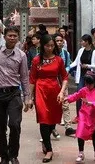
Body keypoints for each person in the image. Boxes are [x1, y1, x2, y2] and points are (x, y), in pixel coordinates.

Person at [0, 26, 31, 164]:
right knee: (0, 128)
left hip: (14, 93)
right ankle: (4, 156)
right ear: (4, 36)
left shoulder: (21, 55)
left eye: (15, 36)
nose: (12, 38)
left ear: (18, 38)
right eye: (10, 35)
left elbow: (24, 78)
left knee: (15, 125)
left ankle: (13, 155)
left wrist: (27, 97)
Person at [29, 34, 68, 163]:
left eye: (52, 46)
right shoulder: (36, 60)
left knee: (53, 120)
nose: (50, 48)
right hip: (40, 91)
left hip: (54, 91)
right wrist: (29, 97)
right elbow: (32, 79)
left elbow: (65, 77)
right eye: (47, 45)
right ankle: (49, 149)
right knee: (43, 118)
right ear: (42, 46)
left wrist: (62, 92)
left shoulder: (58, 60)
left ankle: (45, 141)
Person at [64, 71, 95, 163]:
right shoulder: (84, 90)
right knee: (80, 133)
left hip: (94, 117)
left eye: (90, 83)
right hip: (84, 115)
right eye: (87, 83)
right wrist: (68, 98)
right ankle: (81, 153)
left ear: (94, 83)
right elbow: (76, 95)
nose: (88, 85)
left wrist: (91, 103)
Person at [70, 34, 95, 114]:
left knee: (90, 95)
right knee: (79, 93)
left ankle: (89, 113)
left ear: (87, 42)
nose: (81, 42)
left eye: (82, 41)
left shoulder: (94, 52)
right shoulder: (81, 50)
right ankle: (79, 114)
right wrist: (67, 67)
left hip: (90, 77)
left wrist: (87, 66)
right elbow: (76, 62)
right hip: (81, 76)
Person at [54, 32, 75, 137]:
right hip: (52, 82)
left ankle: (68, 127)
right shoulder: (49, 53)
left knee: (65, 103)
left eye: (60, 41)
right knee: (53, 105)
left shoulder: (66, 53)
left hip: (63, 81)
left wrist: (64, 71)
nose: (59, 43)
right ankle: (51, 127)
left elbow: (68, 66)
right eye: (57, 41)